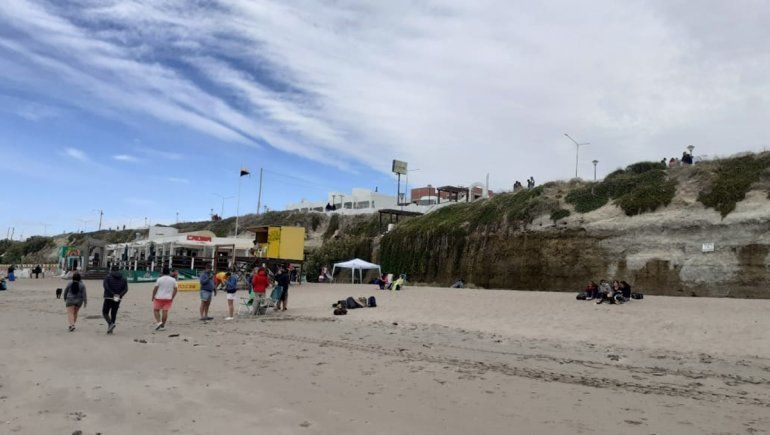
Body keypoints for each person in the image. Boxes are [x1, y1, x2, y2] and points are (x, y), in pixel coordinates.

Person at [102, 266, 128, 334]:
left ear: (111, 270)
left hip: (108, 297)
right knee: (114, 313)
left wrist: (112, 293)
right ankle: (111, 329)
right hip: (118, 298)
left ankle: (110, 324)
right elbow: (126, 289)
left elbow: (105, 286)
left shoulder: (108, 277)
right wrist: (120, 295)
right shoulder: (123, 278)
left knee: (105, 312)